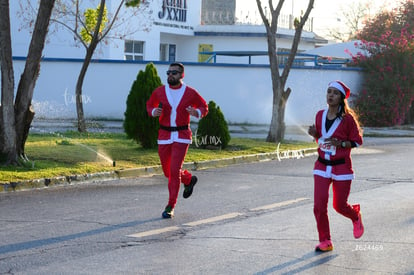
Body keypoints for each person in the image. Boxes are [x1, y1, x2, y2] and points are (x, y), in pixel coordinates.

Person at [146, 62, 208, 219]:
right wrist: (154, 111)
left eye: (174, 73)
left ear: (182, 75)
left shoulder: (190, 92)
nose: (170, 75)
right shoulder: (160, 92)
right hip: (164, 136)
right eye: (168, 72)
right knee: (168, 171)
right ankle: (188, 179)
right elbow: (149, 105)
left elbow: (204, 106)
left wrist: (197, 112)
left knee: (174, 170)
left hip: (182, 135)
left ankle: (170, 206)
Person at [308, 80, 364, 252]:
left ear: (341, 98)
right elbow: (322, 140)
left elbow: (357, 141)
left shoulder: (348, 120)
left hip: (341, 167)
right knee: (319, 206)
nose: (330, 95)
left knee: (339, 205)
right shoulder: (319, 115)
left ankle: (355, 216)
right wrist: (315, 135)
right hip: (322, 166)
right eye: (329, 92)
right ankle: (325, 241)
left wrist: (341, 144)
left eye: (335, 93)